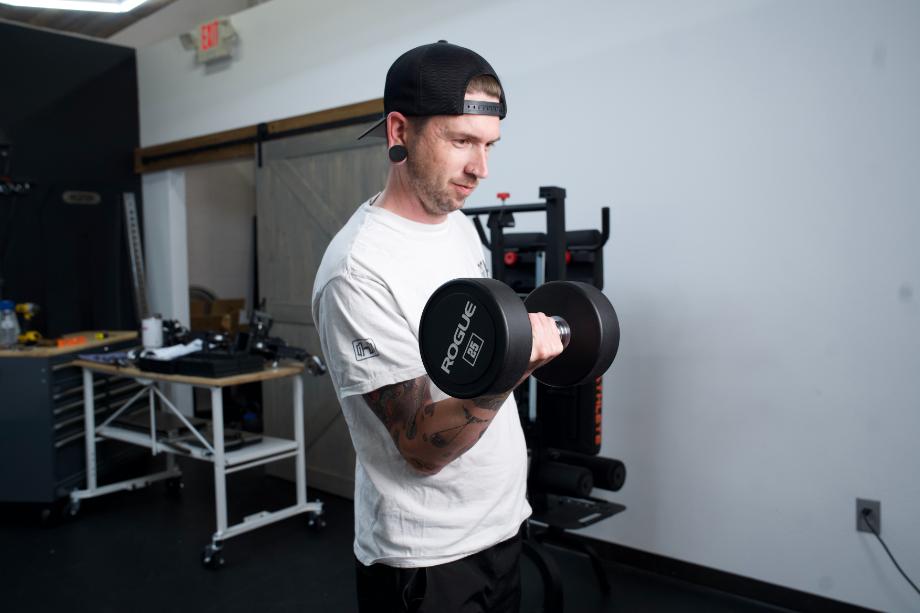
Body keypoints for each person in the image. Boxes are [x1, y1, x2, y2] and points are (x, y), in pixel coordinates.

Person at [311, 40, 564, 612]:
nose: (481, 168)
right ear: (399, 131)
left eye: (490, 145)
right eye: (461, 141)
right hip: (425, 562)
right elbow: (420, 447)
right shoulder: (357, 271)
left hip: (499, 526)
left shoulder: (456, 226)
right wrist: (514, 363)